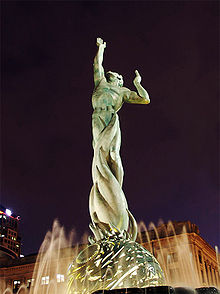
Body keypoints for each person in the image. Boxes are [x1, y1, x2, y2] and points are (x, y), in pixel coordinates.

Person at [89, 38, 150, 241]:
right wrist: (101, 49)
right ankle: (106, 203)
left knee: (113, 156)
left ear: (120, 80)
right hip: (97, 118)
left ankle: (116, 196)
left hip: (111, 119)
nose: (111, 74)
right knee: (99, 155)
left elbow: (145, 99)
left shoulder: (122, 91)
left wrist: (138, 84)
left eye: (115, 75)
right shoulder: (101, 83)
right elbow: (98, 65)